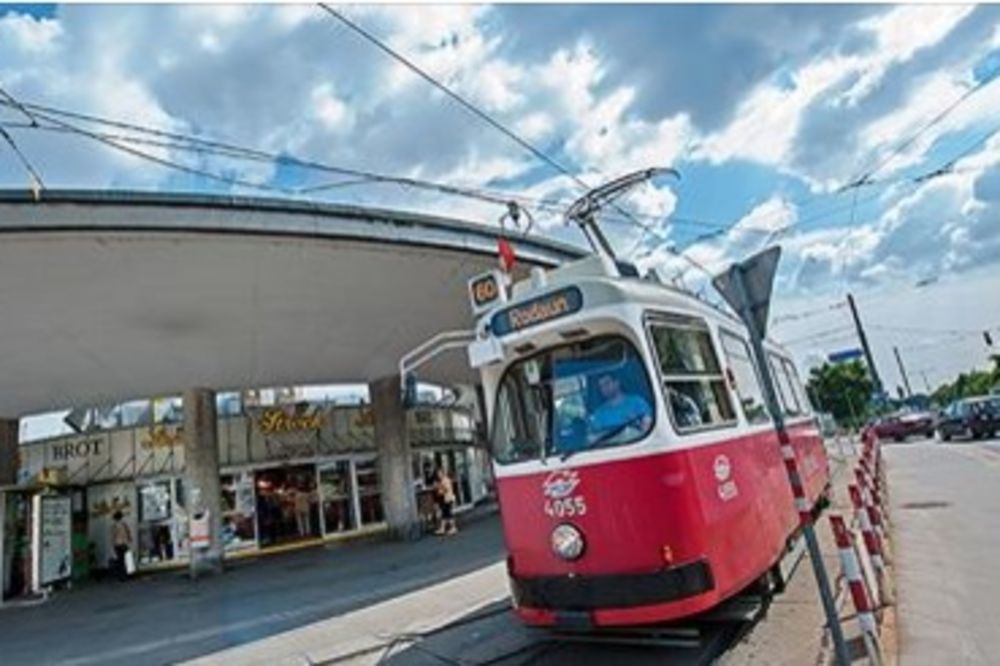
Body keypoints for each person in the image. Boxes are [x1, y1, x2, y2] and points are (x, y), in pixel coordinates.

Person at [589, 371, 653, 441]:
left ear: (617, 382)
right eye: (601, 387)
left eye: (607, 383)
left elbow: (648, 427)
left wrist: (636, 424)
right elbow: (595, 437)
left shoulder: (637, 402)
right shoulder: (599, 413)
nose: (604, 388)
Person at [433, 467, 458, 536]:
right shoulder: (442, 480)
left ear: (442, 473)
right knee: (444, 514)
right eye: (438, 473)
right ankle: (442, 528)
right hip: (445, 499)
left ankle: (453, 528)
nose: (438, 475)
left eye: (440, 473)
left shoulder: (445, 480)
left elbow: (446, 489)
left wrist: (439, 487)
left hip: (448, 498)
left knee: (448, 513)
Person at [110, 511, 132, 581]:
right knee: (126, 560)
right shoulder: (124, 524)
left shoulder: (114, 526)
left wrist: (112, 545)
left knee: (120, 560)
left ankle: (121, 576)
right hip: (124, 544)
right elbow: (128, 532)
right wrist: (129, 539)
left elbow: (113, 536)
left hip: (118, 544)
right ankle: (126, 574)